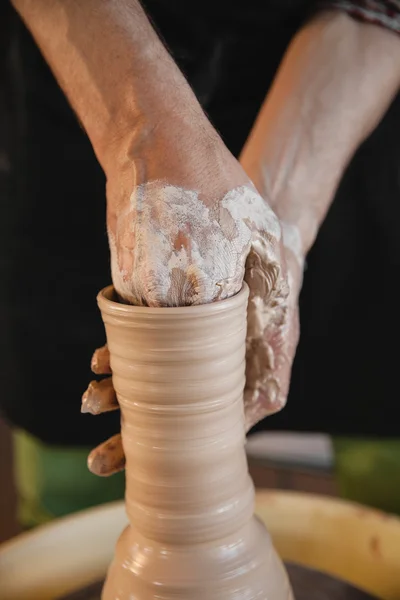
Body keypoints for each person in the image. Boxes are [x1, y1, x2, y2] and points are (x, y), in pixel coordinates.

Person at [0, 0, 400, 527]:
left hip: (342, 99)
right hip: (90, 68)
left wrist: (276, 221)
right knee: (76, 478)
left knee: (374, 456)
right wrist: (141, 130)